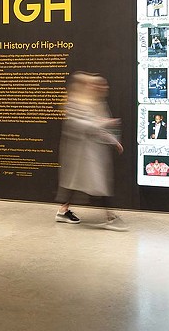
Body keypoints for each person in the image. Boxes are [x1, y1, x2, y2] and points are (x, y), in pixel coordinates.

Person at [55, 72, 128, 231]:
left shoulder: (96, 103)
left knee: (79, 182)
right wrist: (102, 123)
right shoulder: (74, 102)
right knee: (96, 184)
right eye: (94, 84)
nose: (102, 87)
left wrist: (113, 140)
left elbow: (98, 127)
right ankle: (110, 217)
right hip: (80, 154)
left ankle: (63, 210)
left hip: (91, 152)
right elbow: (79, 125)